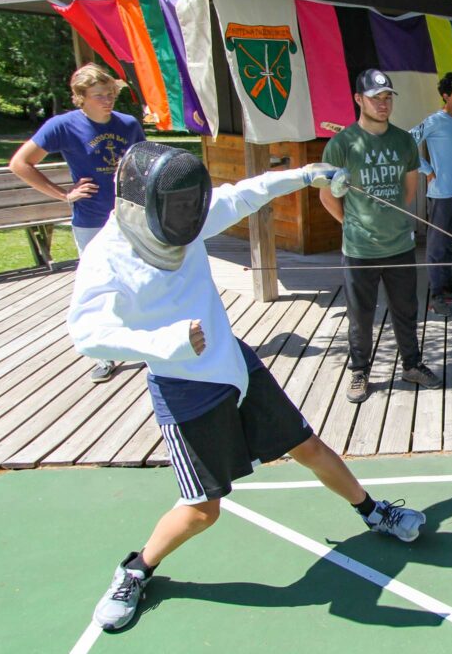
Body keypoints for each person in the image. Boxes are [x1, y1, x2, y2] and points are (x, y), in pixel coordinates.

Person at [69, 143, 426, 632]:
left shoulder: (188, 220)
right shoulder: (106, 259)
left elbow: (244, 194)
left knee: (308, 446)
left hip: (234, 364)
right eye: (180, 206)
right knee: (201, 512)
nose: (191, 214)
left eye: (192, 203)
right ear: (143, 204)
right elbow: (87, 333)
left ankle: (372, 511)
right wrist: (162, 342)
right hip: (185, 387)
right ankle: (135, 569)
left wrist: (307, 175)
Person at [9, 63, 146, 383]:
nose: (107, 101)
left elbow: (142, 163)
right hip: (91, 220)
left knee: (135, 280)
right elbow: (20, 162)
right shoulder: (62, 126)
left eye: (111, 94)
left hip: (129, 217)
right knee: (97, 286)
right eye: (99, 95)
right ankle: (102, 355)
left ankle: (140, 342)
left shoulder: (128, 124)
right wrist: (63, 195)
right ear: (80, 97)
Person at [320, 69, 441, 402]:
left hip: (400, 245)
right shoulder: (342, 144)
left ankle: (412, 365)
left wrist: (390, 221)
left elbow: (409, 188)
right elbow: (326, 195)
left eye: (387, 97)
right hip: (360, 249)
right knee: (361, 316)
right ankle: (359, 372)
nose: (383, 104)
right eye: (375, 98)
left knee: (406, 309)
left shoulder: (404, 141)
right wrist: (353, 223)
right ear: (359, 99)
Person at [410, 72, 452, 317]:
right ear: (446, 96)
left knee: (448, 245)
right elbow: (408, 141)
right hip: (440, 195)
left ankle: (447, 290)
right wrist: (426, 170)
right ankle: (436, 296)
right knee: (436, 247)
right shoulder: (435, 120)